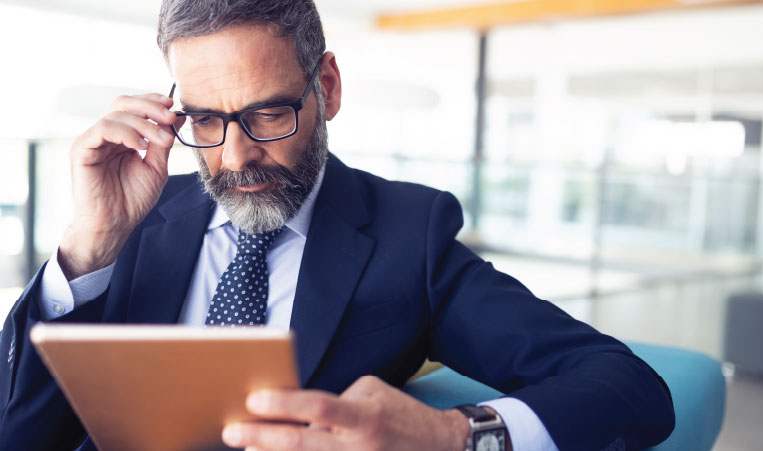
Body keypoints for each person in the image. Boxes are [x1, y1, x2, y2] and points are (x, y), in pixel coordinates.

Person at [0, 1, 675, 450]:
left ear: (327, 87)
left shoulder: (409, 235)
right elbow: (19, 430)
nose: (235, 157)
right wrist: (90, 245)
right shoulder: (133, 221)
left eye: (267, 113)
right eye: (205, 119)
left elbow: (626, 385)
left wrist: (451, 435)